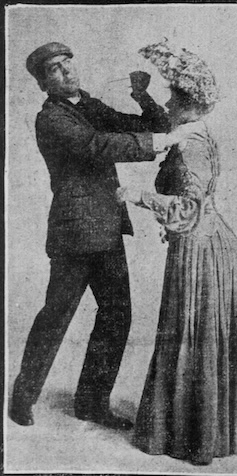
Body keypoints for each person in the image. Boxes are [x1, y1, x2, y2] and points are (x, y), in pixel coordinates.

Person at [117, 40, 237, 464]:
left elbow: (188, 208)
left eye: (173, 97)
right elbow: (163, 126)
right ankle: (204, 430)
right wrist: (143, 94)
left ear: (189, 104)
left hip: (201, 250)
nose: (168, 102)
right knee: (201, 338)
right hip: (210, 244)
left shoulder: (189, 143)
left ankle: (196, 437)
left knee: (193, 335)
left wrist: (138, 196)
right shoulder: (194, 131)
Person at [10, 41, 174, 429]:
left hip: (107, 231)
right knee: (56, 316)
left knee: (117, 315)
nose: (66, 72)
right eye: (55, 69)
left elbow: (149, 126)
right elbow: (95, 146)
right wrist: (154, 146)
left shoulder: (90, 106)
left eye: (68, 62)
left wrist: (142, 96)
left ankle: (91, 403)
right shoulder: (50, 118)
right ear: (43, 83)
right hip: (74, 237)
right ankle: (23, 397)